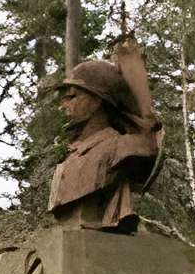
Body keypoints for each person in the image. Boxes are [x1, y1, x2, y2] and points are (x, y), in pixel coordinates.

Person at [46, 41, 161, 232]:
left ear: (98, 100)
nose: (63, 105)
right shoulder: (69, 158)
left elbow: (150, 139)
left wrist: (135, 75)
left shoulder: (123, 147)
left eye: (73, 96)